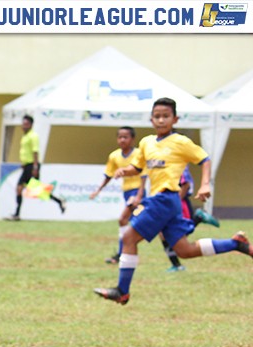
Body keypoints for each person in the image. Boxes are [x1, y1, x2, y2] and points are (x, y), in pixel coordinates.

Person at [94, 97, 250, 305]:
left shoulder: (180, 142)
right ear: (151, 119)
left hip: (164, 199)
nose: (161, 120)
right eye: (157, 116)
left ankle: (122, 291)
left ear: (175, 119)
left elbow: (204, 159)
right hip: (167, 202)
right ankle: (235, 244)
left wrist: (205, 184)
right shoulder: (146, 143)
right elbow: (138, 168)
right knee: (184, 251)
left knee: (129, 238)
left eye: (166, 116)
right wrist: (125, 170)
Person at [90, 127, 184, 272]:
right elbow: (109, 175)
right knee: (159, 229)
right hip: (127, 194)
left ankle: (121, 254)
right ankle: (175, 262)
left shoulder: (139, 153)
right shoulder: (114, 156)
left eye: (126, 137)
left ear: (132, 139)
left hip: (137, 195)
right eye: (120, 137)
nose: (122, 140)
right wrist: (98, 190)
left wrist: (139, 195)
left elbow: (143, 176)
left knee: (123, 220)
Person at [9, 115, 66, 220]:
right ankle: (17, 214)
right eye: (23, 124)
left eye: (26, 124)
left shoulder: (33, 136)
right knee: (20, 188)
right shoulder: (25, 136)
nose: (23, 126)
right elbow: (26, 152)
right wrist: (24, 163)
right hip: (27, 166)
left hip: (32, 166)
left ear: (31, 125)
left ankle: (59, 201)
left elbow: (35, 152)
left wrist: (35, 167)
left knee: (37, 190)